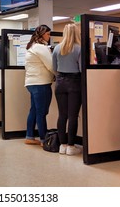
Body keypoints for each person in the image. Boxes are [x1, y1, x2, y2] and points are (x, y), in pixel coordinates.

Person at [52, 23, 82, 155]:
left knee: (62, 115)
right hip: (75, 83)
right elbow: (82, 69)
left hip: (60, 82)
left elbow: (54, 67)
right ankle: (71, 146)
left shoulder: (57, 48)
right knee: (73, 116)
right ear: (77, 33)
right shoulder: (79, 49)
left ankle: (62, 145)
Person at [24, 25, 55, 145]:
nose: (49, 36)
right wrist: (60, 74)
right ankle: (44, 139)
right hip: (41, 83)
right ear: (42, 34)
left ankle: (29, 136)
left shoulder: (32, 46)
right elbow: (51, 65)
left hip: (32, 83)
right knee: (42, 112)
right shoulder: (40, 47)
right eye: (48, 34)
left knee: (34, 110)